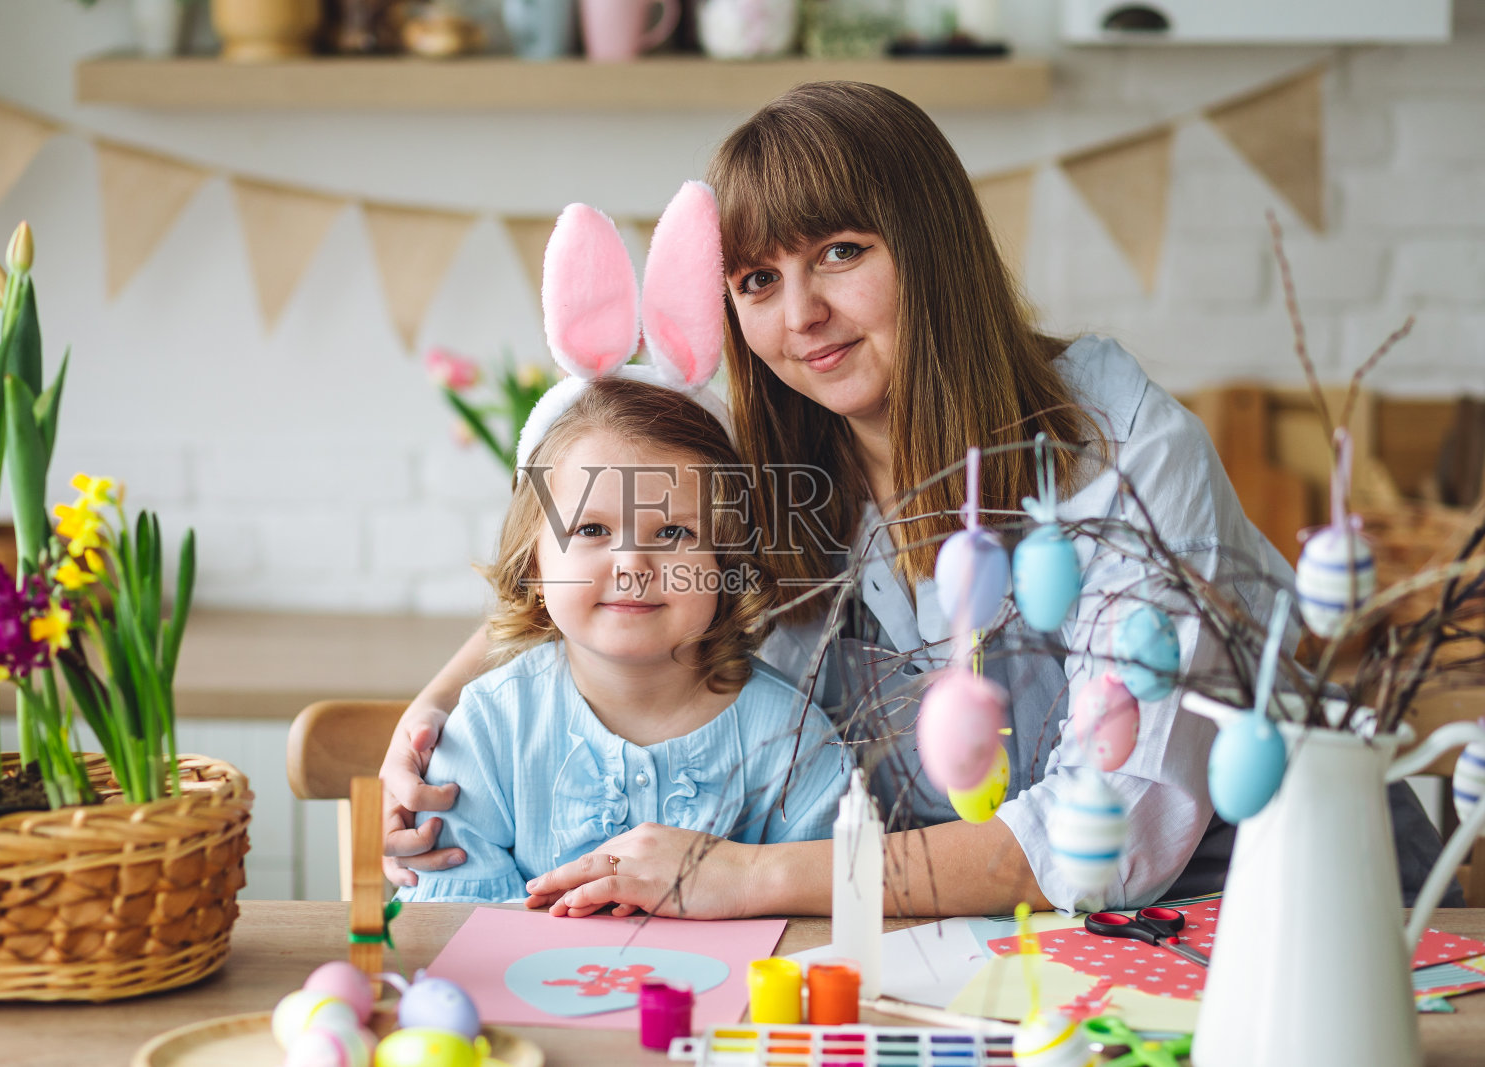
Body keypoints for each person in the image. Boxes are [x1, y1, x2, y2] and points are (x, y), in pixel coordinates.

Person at [384, 81, 1449, 917]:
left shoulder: (1112, 449)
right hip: (987, 938)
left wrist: (748, 875)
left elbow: (1109, 830)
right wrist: (434, 709)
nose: (800, 315)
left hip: (1283, 906)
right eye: (756, 280)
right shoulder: (785, 474)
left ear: (930, 248)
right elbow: (598, 562)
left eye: (840, 253)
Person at [397, 376, 852, 904]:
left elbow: (819, 929)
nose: (632, 564)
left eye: (672, 533)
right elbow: (453, 926)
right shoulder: (487, 730)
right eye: (590, 530)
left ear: (726, 561)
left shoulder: (795, 742)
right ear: (534, 562)